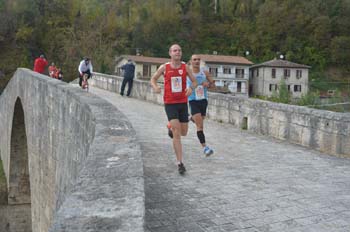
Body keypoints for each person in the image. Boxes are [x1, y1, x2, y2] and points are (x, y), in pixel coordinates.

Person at [150, 44, 198, 174]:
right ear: (170, 53)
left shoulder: (185, 67)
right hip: (170, 103)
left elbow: (194, 82)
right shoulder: (164, 67)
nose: (177, 52)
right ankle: (180, 163)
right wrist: (155, 87)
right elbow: (153, 79)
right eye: (175, 50)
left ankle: (170, 126)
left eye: (179, 50)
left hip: (182, 103)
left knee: (184, 132)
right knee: (177, 134)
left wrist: (190, 89)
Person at [187, 54, 215, 156]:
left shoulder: (205, 72)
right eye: (194, 59)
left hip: (203, 100)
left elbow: (213, 85)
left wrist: (208, 84)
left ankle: (190, 118)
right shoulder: (187, 73)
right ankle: (205, 148)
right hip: (193, 100)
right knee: (200, 126)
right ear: (191, 61)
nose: (197, 61)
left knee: (198, 120)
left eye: (198, 59)